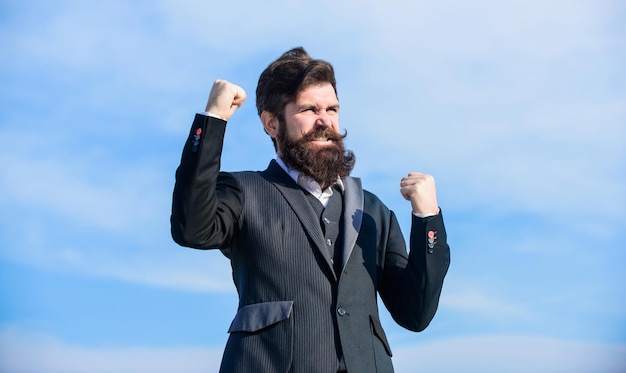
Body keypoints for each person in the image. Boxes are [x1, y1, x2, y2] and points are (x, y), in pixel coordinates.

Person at [170, 47, 450, 373]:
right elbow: (191, 227)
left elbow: (415, 313)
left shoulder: (373, 210)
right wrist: (212, 120)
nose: (325, 121)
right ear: (271, 124)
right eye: (309, 109)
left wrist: (427, 218)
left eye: (332, 108)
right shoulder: (243, 192)